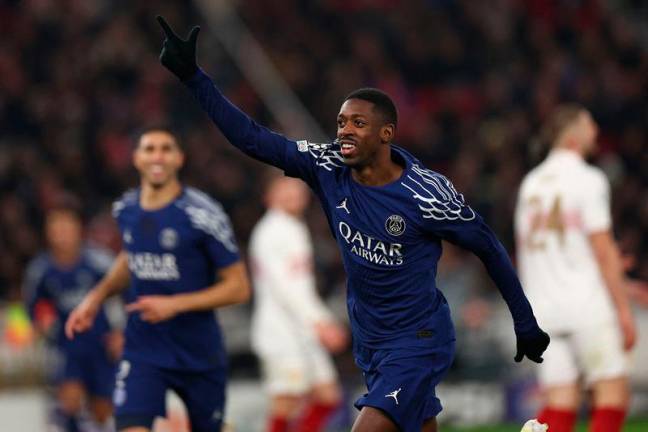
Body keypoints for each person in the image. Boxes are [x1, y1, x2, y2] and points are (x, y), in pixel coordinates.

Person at [156, 17, 550, 432]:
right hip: (371, 341)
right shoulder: (327, 166)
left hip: (418, 340)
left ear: (386, 134)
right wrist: (194, 79)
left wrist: (524, 321)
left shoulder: (427, 195)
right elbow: (253, 138)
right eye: (342, 122)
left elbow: (488, 246)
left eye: (358, 124)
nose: (344, 131)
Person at [65, 127, 251, 432]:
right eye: (149, 149)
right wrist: (94, 299)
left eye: (166, 149)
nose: (157, 156)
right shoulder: (126, 209)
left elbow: (239, 287)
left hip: (198, 352)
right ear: (136, 158)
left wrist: (175, 304)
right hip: (144, 348)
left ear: (179, 158)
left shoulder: (203, 214)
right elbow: (130, 256)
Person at [514, 105, 636, 432]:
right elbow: (601, 248)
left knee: (560, 403)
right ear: (572, 134)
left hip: (544, 310)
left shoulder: (531, 185)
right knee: (613, 396)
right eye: (589, 124)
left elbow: (535, 252)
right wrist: (624, 310)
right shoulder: (588, 179)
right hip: (586, 306)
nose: (595, 130)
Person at [249, 175, 348, 432]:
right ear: (268, 196)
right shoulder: (271, 232)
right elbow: (285, 288)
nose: (294, 196)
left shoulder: (294, 227)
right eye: (285, 191)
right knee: (286, 402)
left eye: (298, 190)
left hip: (302, 329)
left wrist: (322, 321)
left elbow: (302, 287)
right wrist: (321, 323)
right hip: (280, 331)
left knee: (328, 396)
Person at [23, 203, 121, 432]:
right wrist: (38, 324)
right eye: (55, 226)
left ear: (79, 228)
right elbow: (32, 308)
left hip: (100, 345)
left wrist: (120, 333)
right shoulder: (40, 270)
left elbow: (122, 297)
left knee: (102, 409)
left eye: (67, 225)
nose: (62, 233)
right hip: (65, 347)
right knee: (70, 399)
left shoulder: (100, 262)